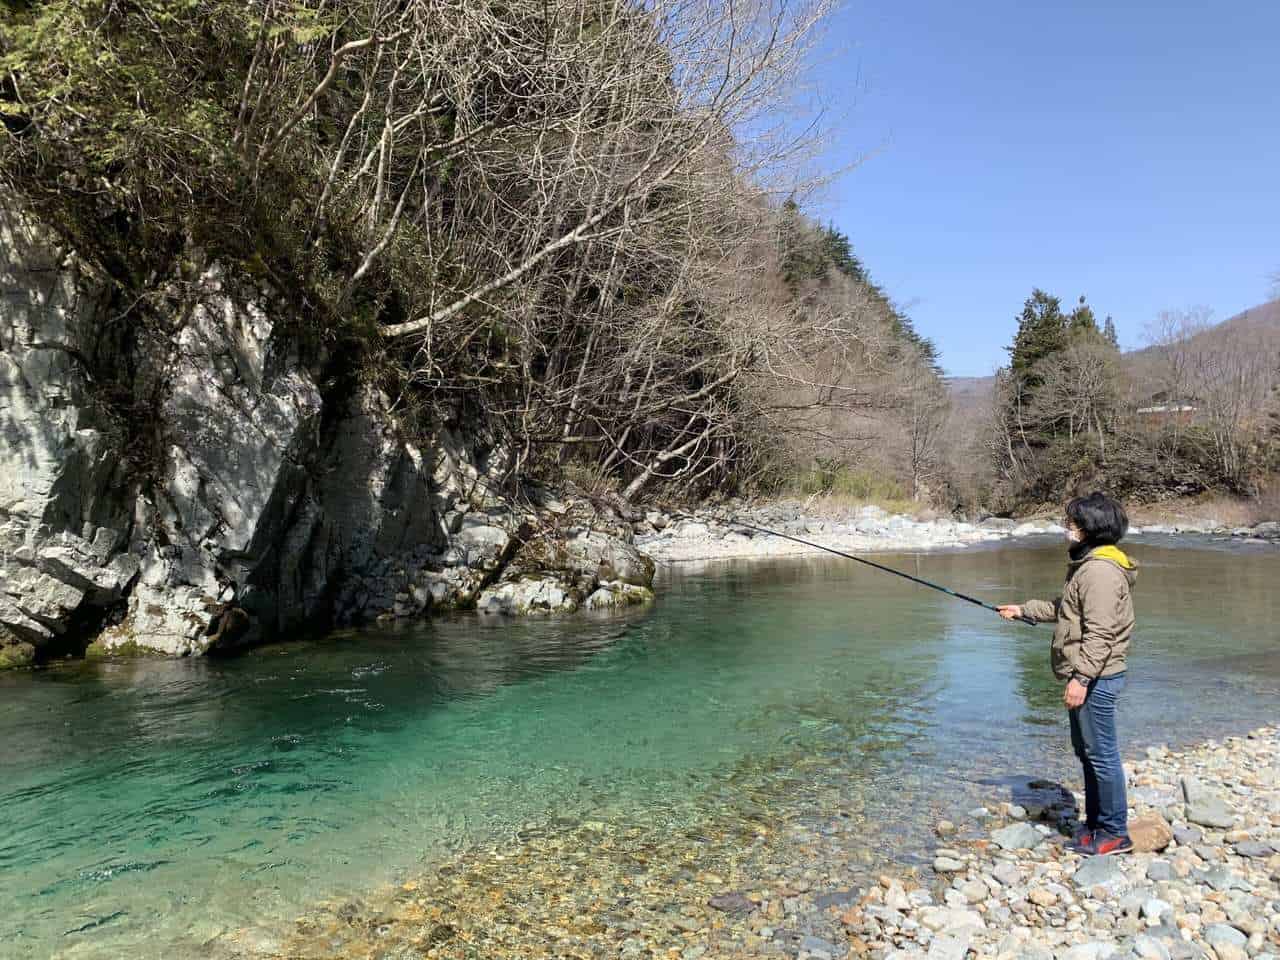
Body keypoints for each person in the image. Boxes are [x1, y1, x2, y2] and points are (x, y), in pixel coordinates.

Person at [997, 492, 1138, 856]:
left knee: (1101, 754)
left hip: (1097, 678)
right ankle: (1095, 825)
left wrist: (1081, 680)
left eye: (1072, 524)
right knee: (1088, 751)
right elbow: (1066, 609)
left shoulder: (1100, 571)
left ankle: (1114, 833)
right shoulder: (1090, 565)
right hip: (1094, 675)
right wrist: (1022, 610)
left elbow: (1101, 633)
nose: (1067, 529)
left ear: (1089, 529)